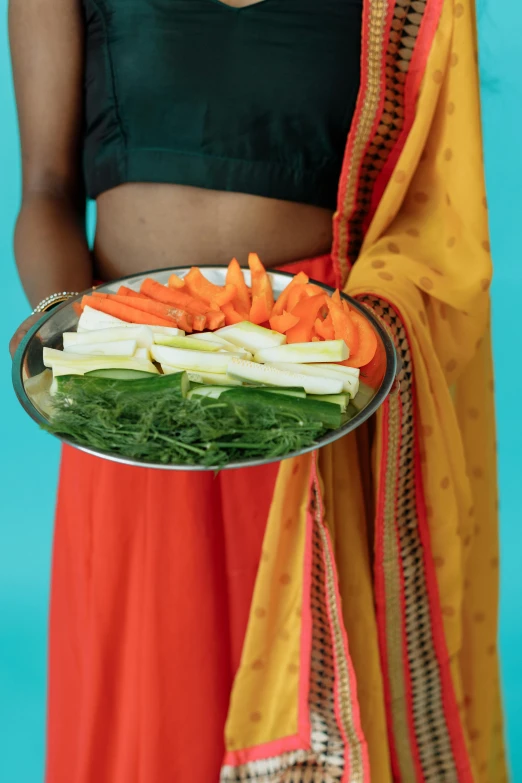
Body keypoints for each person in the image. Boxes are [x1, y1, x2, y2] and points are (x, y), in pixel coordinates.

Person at [8, 0, 508, 781]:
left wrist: (339, 358)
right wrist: (68, 336)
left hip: (310, 402)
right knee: (148, 721)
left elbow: (428, 217)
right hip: (129, 399)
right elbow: (44, 188)